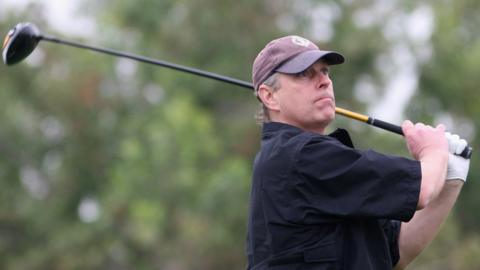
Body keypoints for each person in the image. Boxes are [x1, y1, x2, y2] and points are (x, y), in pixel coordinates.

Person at [246, 35, 471, 270]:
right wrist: (433, 152)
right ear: (269, 96)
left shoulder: (306, 159)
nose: (324, 81)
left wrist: (450, 178)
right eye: (304, 74)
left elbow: (397, 251)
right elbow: (422, 190)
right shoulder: (299, 155)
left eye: (325, 71)